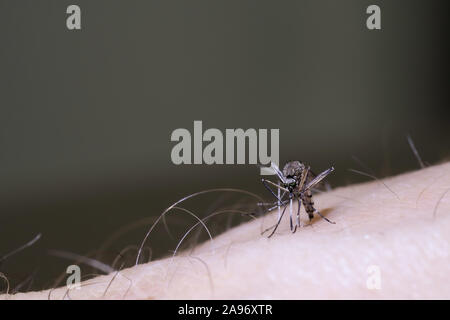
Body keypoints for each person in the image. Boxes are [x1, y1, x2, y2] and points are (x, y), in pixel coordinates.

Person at [3, 162, 450, 299]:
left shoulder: (301, 188)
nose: (296, 196)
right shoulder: (286, 187)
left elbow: (299, 186)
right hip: (295, 185)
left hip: (303, 186)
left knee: (298, 203)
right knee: (289, 204)